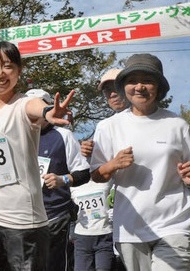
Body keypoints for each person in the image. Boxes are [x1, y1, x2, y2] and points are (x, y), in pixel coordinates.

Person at [0, 41, 75, 271]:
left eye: (7, 66)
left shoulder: (23, 104)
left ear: (19, 71)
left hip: (23, 221)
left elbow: (37, 107)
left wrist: (48, 112)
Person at [90, 53, 190, 271]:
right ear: (124, 87)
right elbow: (96, 175)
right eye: (132, 81)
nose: (139, 87)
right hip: (130, 227)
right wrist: (113, 164)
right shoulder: (108, 127)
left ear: (158, 87)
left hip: (174, 222)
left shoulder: (177, 125)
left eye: (148, 81)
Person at [25, 88, 90, 271]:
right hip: (21, 218)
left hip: (54, 217)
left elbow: (84, 173)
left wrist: (62, 180)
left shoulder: (63, 136)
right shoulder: (17, 136)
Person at [73, 68, 128, 271]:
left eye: (116, 88)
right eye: (107, 92)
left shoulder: (160, 120)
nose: (112, 94)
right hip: (125, 220)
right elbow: (98, 172)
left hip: (160, 217)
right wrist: (88, 153)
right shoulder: (105, 127)